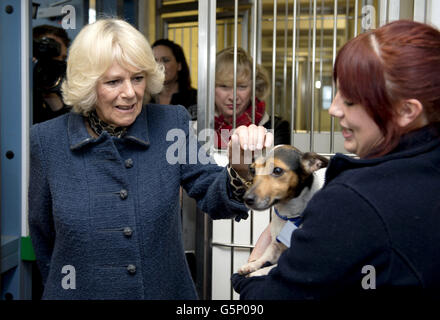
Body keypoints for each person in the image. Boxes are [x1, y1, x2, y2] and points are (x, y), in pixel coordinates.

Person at [28, 18, 272, 300]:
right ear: (87, 83)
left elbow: (212, 192)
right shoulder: (47, 140)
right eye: (114, 81)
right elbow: (42, 235)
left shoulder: (170, 124)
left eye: (138, 78)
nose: (130, 93)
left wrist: (240, 167)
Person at [232, 20, 440, 300]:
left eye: (351, 100)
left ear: (406, 110)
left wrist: (245, 280)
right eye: (337, 91)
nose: (333, 108)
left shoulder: (356, 201)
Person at [214, 47, 290, 149]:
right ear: (210, 88)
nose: (233, 97)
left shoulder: (276, 128)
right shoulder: (194, 125)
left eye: (242, 87)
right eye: (224, 86)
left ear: (255, 87)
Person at [32, 24, 71, 124]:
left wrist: (52, 98)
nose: (56, 64)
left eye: (62, 58)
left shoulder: (60, 92)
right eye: (51, 56)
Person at [152, 39, 198, 120]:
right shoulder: (143, 98)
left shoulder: (195, 99)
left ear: (179, 65)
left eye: (165, 60)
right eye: (154, 61)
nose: (159, 66)